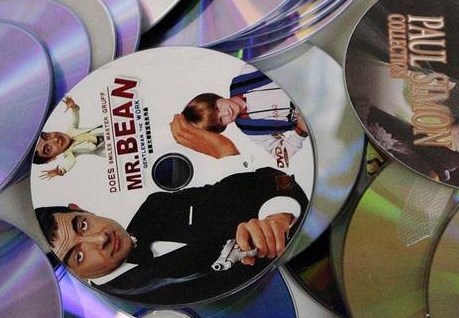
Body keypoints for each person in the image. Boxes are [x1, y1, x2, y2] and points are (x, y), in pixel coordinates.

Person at [35, 166, 308, 305]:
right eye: (78, 256)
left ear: (81, 209)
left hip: (309, 253)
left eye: (82, 225)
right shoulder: (128, 307)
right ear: (76, 277)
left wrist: (278, 213)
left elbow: (256, 183)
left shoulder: (155, 206)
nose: (100, 239)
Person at [173, 70, 309, 168]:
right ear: (222, 127)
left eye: (217, 108)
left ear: (214, 97)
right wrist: (300, 132)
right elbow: (281, 159)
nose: (226, 113)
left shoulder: (244, 78)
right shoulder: (250, 128)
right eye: (221, 120)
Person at [33, 96, 103, 179]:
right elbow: (70, 162)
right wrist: (60, 171)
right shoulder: (68, 153)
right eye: (48, 149)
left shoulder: (70, 131)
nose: (55, 139)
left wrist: (74, 107)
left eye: (47, 136)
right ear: (51, 159)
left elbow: (75, 120)